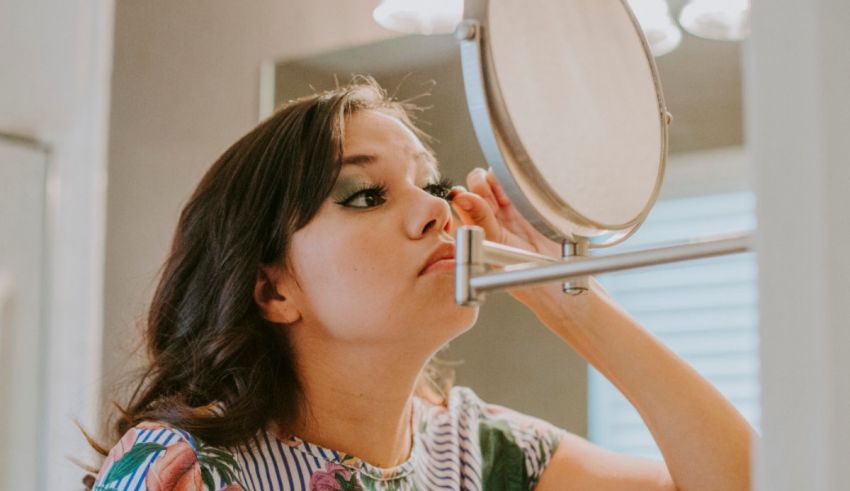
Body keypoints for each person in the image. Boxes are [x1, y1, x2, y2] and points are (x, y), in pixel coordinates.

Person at [87, 78, 755, 490]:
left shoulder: (478, 453)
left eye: (431, 183)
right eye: (366, 194)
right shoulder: (183, 471)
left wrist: (570, 299)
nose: (438, 210)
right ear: (273, 290)